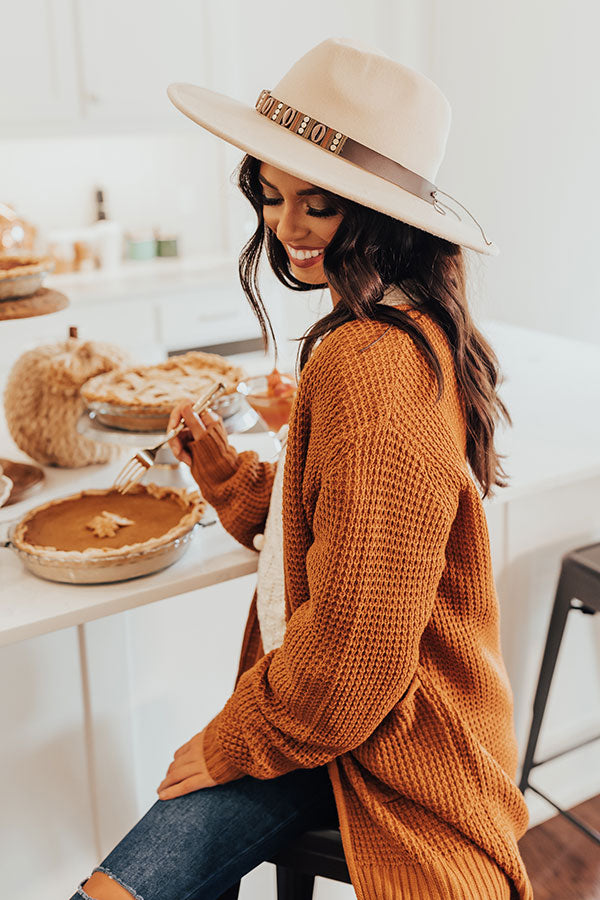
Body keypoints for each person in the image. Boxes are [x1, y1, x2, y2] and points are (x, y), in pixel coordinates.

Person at [71, 37, 533, 900]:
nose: (286, 228)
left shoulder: (369, 363)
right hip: (335, 715)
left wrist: (230, 738)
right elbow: (335, 542)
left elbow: (354, 651)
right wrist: (231, 475)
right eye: (272, 196)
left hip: (393, 737)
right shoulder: (412, 322)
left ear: (382, 216)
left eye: (318, 205)